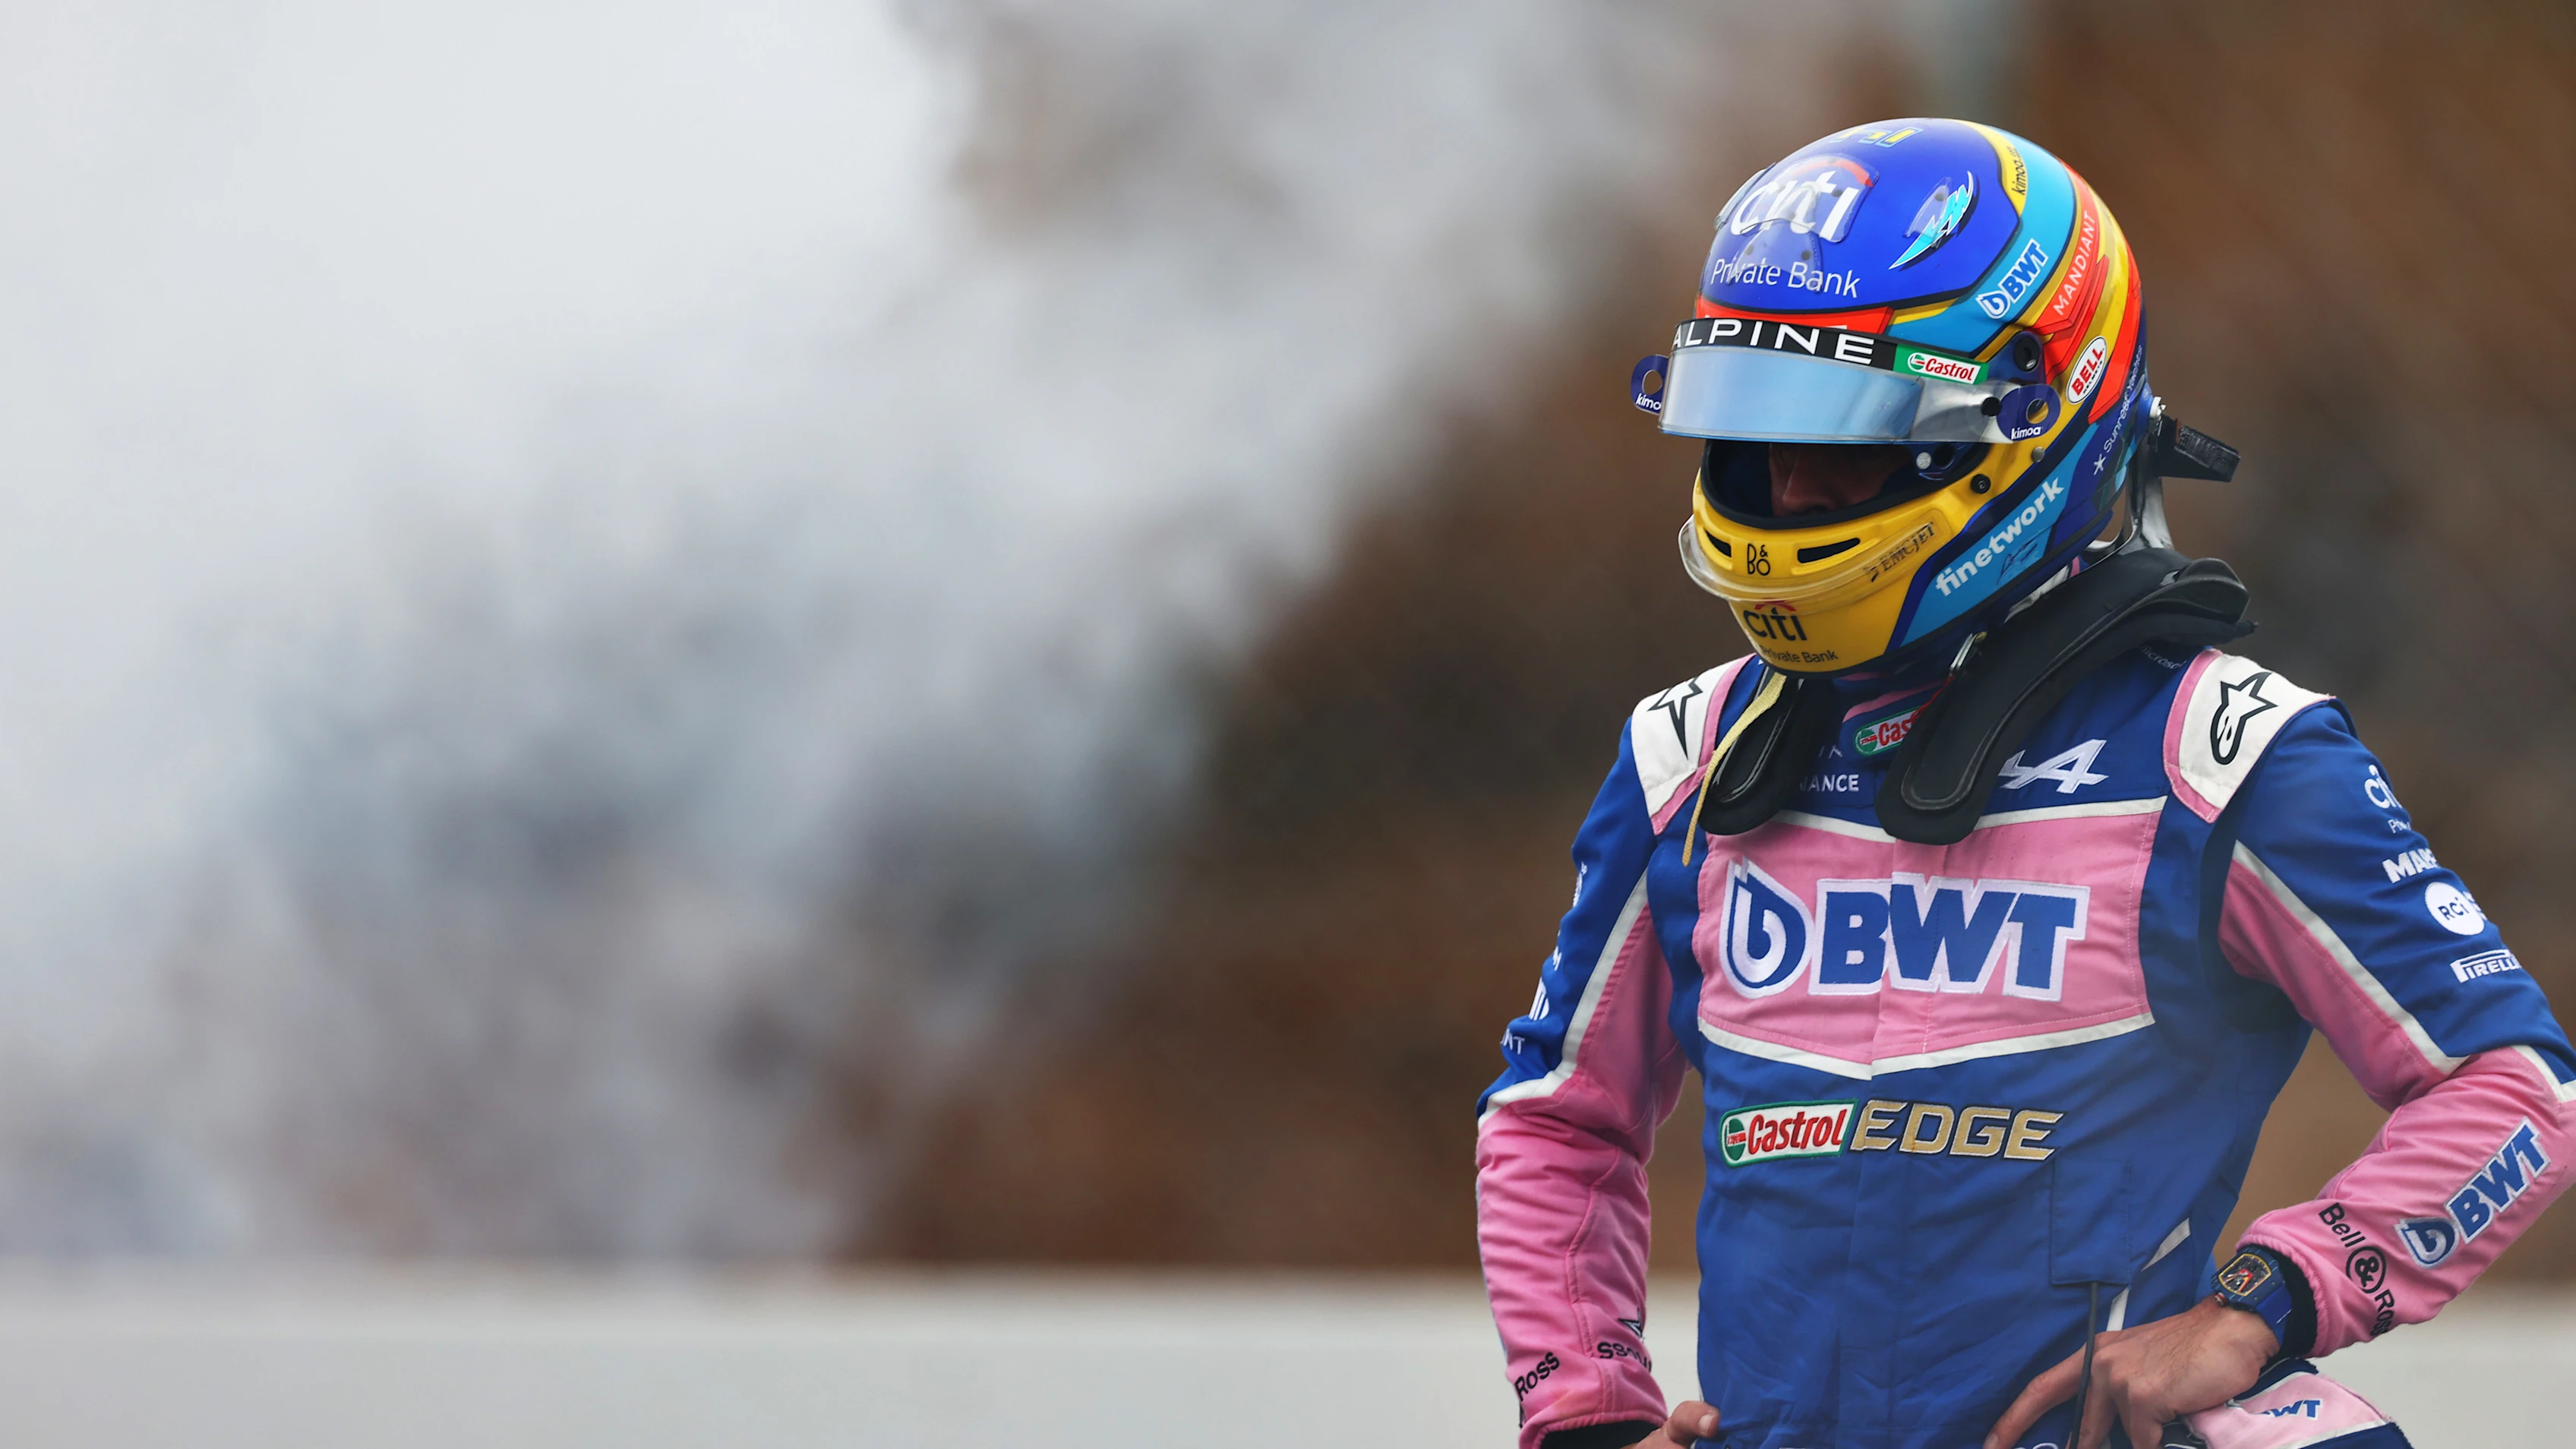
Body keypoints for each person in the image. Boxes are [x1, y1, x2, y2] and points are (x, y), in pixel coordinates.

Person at [1475, 118, 2574, 1449]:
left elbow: (2514, 1084)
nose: (1788, 488)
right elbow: (1556, 1124)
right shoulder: (1687, 758)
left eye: (1852, 439)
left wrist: (2263, 1305)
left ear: (2028, 420)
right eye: (1756, 435)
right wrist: (1588, 1416)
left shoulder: (2222, 754)